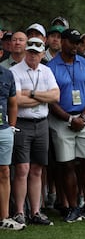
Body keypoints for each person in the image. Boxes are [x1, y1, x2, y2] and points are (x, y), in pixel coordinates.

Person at [47, 28, 85, 223]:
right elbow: (51, 101)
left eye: (77, 42)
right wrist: (70, 120)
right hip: (61, 120)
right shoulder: (51, 67)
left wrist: (83, 117)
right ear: (62, 42)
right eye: (71, 42)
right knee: (67, 165)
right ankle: (73, 208)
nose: (75, 46)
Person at [10, 37, 60, 226]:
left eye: (36, 53)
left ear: (41, 54)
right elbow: (16, 100)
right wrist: (42, 98)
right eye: (30, 51)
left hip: (41, 123)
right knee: (22, 168)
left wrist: (31, 93)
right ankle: (20, 212)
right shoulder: (15, 71)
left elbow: (55, 96)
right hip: (23, 122)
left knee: (37, 169)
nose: (33, 55)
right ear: (26, 52)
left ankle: (36, 211)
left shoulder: (46, 71)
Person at [0, 48, 25, 230]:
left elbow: (13, 103)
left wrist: (11, 126)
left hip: (3, 129)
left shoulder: (7, 75)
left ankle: (5, 218)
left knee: (5, 172)